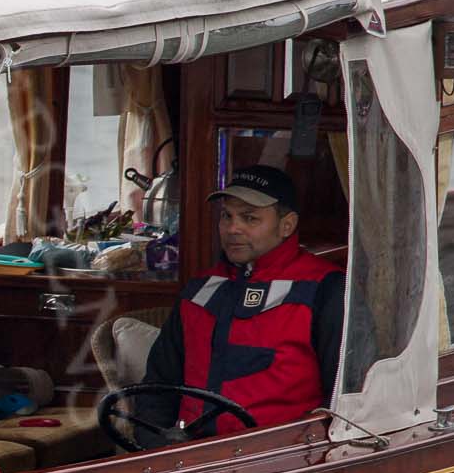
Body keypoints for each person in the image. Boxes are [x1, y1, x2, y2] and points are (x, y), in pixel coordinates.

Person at [139, 165, 345, 437]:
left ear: (287, 225)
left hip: (282, 462)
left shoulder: (326, 288)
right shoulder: (198, 291)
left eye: (249, 218)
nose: (232, 228)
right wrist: (154, 450)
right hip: (190, 457)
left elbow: (344, 398)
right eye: (227, 216)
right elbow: (158, 387)